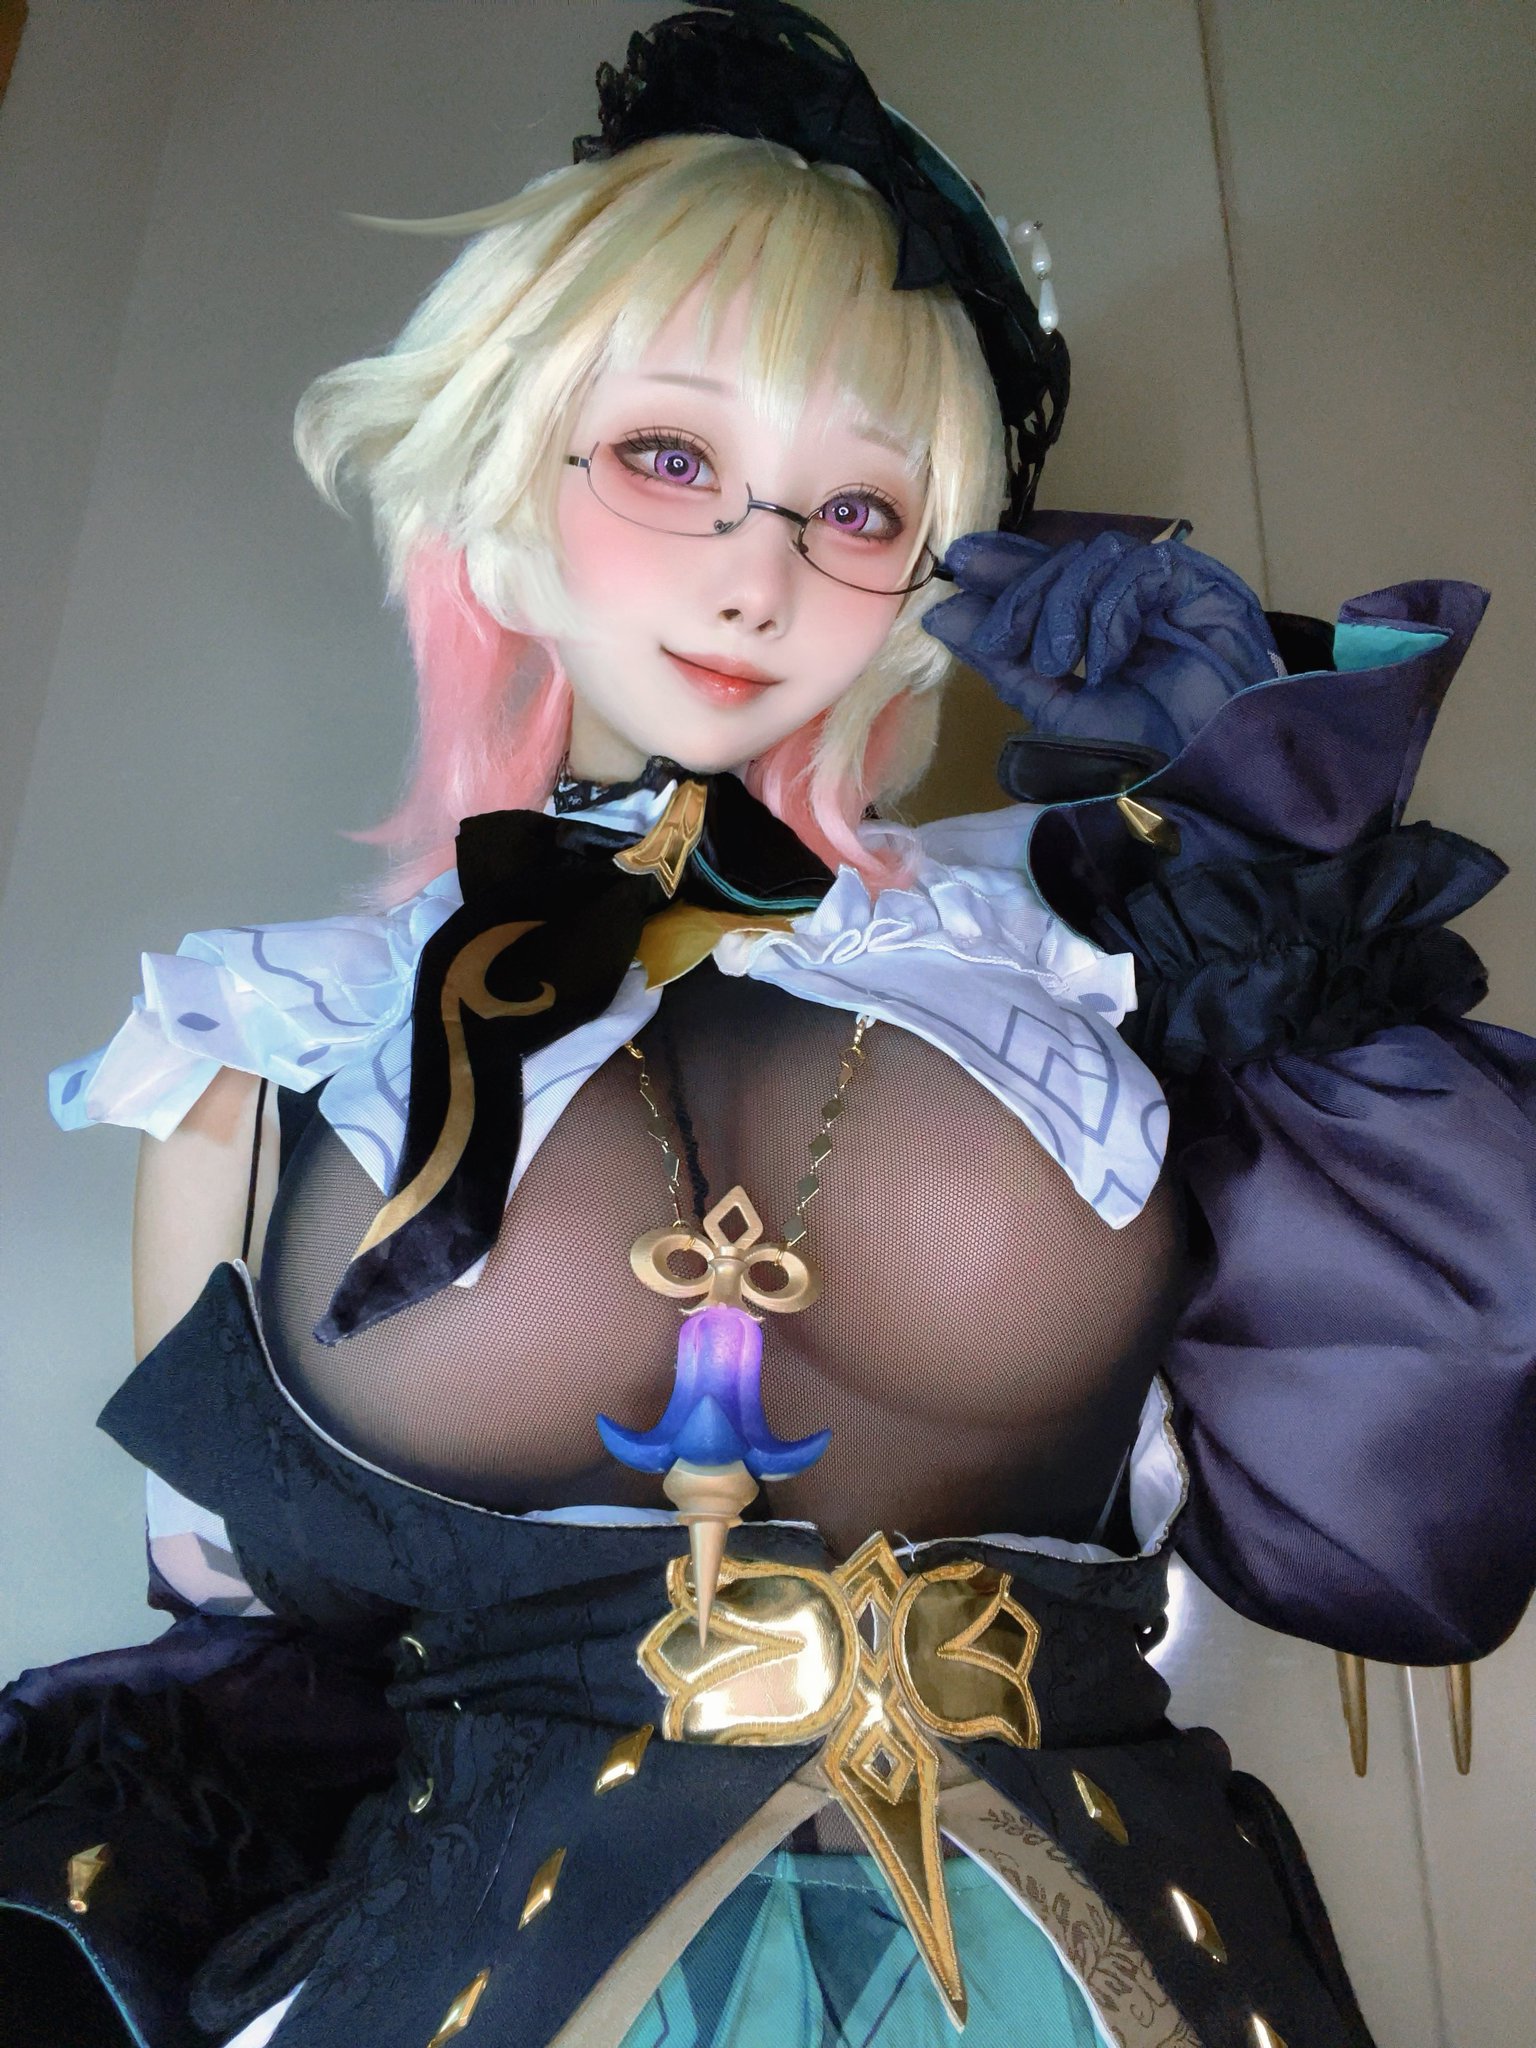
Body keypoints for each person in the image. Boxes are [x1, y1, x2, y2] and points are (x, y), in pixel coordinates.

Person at [5, 5, 1534, 2046]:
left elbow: (1411, 1519)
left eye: (859, 509)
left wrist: (1269, 833)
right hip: (497, 1977)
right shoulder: (263, 1049)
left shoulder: (1100, 959)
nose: (758, 575)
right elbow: (252, 1665)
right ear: (502, 465)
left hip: (1095, 1968)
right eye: (671, 458)